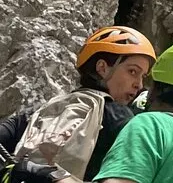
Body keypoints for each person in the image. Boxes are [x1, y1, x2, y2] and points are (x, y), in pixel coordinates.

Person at [4, 36, 173, 183]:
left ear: (159, 85)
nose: (141, 86)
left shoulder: (151, 126)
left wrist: (52, 176)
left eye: (146, 79)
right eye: (134, 73)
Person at [0, 26, 157, 180]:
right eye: (133, 72)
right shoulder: (120, 118)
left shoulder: (47, 109)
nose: (139, 85)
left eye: (142, 76)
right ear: (102, 68)